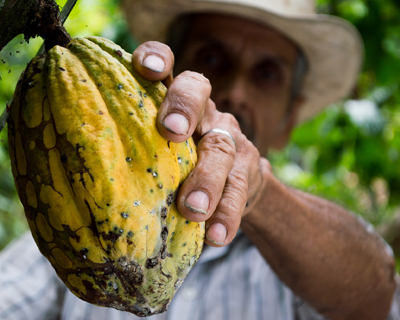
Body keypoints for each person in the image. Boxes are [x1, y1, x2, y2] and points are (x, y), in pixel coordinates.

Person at [0, 0, 399, 319]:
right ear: (166, 71)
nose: (236, 91)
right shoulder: (70, 225)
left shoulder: (299, 270)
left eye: (266, 74)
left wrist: (255, 191)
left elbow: (375, 297)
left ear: (289, 120)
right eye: (211, 58)